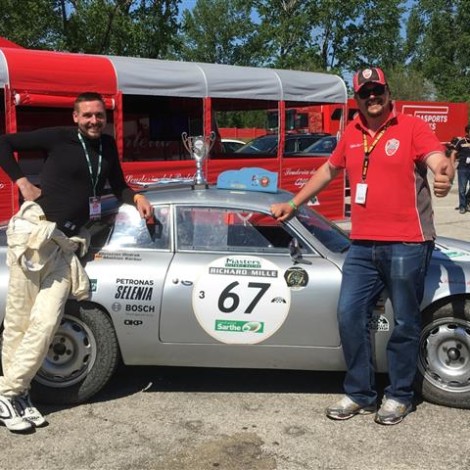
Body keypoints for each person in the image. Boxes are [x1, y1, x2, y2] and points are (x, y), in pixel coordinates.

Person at [271, 67, 453, 425]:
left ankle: (399, 395)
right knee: (348, 314)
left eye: (378, 90)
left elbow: (436, 158)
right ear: (356, 99)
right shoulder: (351, 133)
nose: (372, 97)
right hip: (362, 246)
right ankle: (360, 393)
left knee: (404, 320)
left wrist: (443, 171)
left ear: (388, 93)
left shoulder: (412, 127)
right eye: (365, 92)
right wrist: (293, 204)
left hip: (407, 243)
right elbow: (327, 170)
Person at [0, 92, 153, 433]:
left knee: (46, 321)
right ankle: (14, 395)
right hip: (35, 236)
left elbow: (119, 186)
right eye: (87, 115)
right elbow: (3, 142)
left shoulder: (108, 145)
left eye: (99, 115)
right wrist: (22, 182)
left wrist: (138, 196)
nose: (94, 121)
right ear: (75, 117)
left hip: (65, 246)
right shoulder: (59, 137)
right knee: (20, 320)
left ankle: (11, 392)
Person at [449, 126, 470, 213]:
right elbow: (453, 153)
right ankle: (462, 206)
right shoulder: (461, 142)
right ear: (467, 132)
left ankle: (466, 201)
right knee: (462, 189)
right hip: (463, 168)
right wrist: (452, 164)